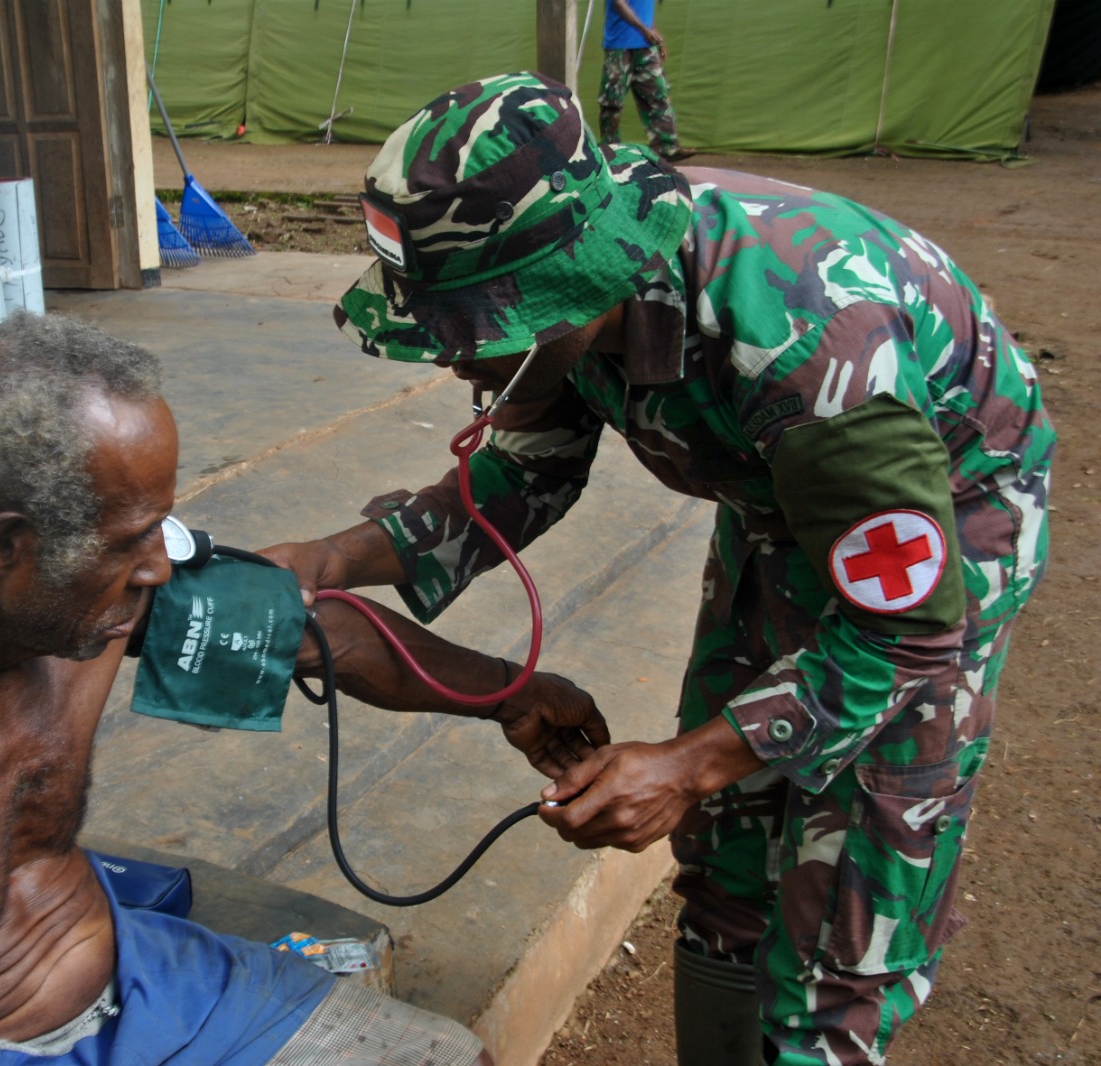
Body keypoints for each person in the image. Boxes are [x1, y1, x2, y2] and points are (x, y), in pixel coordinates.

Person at [262, 73, 1054, 1066]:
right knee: (727, 847)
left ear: (571, 287)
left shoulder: (809, 346)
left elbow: (905, 628)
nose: (457, 364)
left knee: (848, 890)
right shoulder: (565, 316)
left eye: (474, 333)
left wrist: (686, 763)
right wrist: (332, 555)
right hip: (785, 499)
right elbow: (520, 476)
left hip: (940, 523)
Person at [0, 311, 521, 1066]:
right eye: (132, 541)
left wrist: (512, 695)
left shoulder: (87, 592)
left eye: (159, 527)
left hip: (149, 984)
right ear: (5, 547)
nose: (161, 568)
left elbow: (317, 637)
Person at [598, 0, 692, 162]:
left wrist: (654, 34)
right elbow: (619, 4)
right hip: (620, 47)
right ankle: (609, 148)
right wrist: (644, 30)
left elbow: (644, 10)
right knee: (612, 101)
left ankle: (666, 147)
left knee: (657, 93)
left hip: (645, 45)